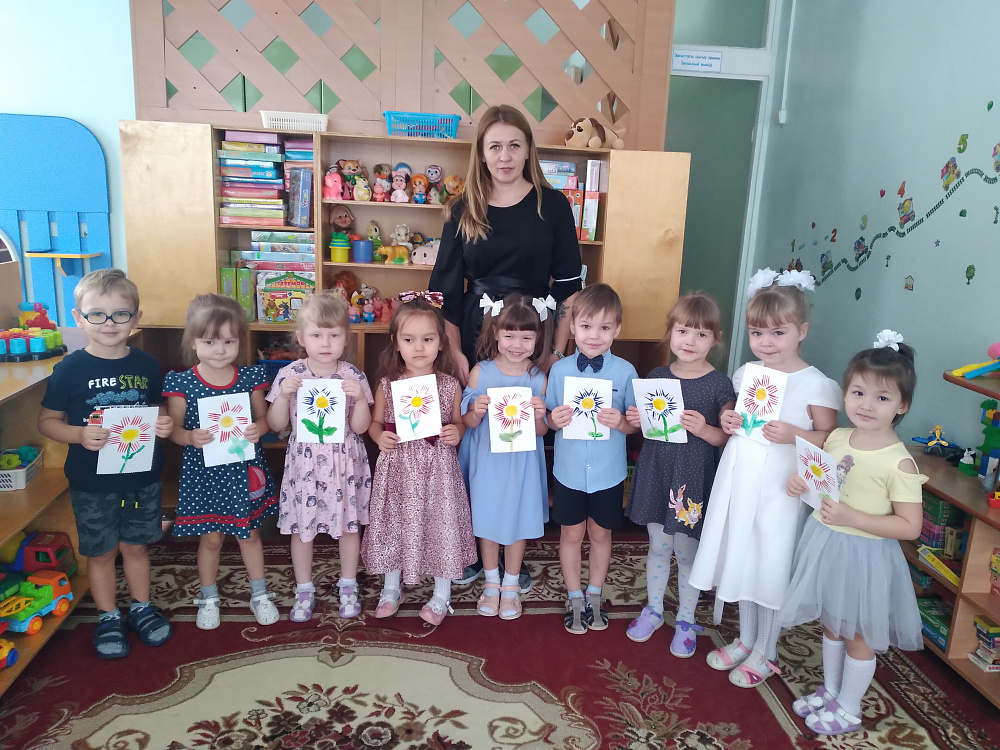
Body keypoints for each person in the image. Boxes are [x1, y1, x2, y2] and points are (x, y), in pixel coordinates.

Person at [430, 104, 584, 591]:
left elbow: (568, 287)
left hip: (533, 335)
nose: (504, 156)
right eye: (494, 146)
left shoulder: (552, 206)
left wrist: (556, 351)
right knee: (476, 439)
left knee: (524, 438)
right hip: (478, 333)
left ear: (528, 149)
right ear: (481, 152)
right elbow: (446, 291)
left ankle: (514, 545)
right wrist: (456, 353)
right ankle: (475, 548)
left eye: (514, 145)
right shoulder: (464, 208)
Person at [689, 268, 842, 687]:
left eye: (778, 333)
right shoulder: (746, 374)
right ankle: (747, 639)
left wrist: (795, 434)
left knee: (769, 562)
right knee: (744, 556)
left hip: (781, 485)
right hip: (741, 475)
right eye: (757, 333)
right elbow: (736, 417)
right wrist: (728, 419)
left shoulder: (817, 385)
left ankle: (767, 650)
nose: (766, 342)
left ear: (801, 331)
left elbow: (830, 440)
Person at [780, 331, 924, 736]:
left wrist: (853, 517)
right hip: (827, 543)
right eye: (858, 393)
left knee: (859, 634)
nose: (866, 405)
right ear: (845, 393)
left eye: (882, 398)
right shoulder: (838, 437)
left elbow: (910, 526)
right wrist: (800, 483)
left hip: (866, 555)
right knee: (833, 623)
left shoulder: (899, 463)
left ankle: (849, 707)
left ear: (902, 405)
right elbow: (823, 481)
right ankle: (831, 690)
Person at [38, 269, 174, 659]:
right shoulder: (69, 369)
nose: (109, 323)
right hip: (91, 482)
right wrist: (79, 434)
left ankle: (142, 607)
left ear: (136, 318)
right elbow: (47, 421)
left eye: (120, 314)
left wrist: (164, 423)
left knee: (136, 546)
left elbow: (156, 409)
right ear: (79, 318)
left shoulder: (147, 364)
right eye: (97, 314)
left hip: (141, 476)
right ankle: (108, 616)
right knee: (100, 552)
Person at [624, 292, 736, 656]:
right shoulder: (656, 376)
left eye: (701, 334)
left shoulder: (720, 385)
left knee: (687, 554)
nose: (690, 341)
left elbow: (726, 438)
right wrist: (636, 419)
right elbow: (648, 427)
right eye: (683, 331)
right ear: (670, 332)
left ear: (715, 339)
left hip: (692, 480)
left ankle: (686, 619)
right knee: (658, 546)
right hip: (658, 472)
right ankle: (654, 609)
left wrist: (704, 429)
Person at [164, 294, 279, 630]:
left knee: (250, 535)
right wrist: (189, 437)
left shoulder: (250, 378)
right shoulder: (182, 383)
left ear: (240, 340)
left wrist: (259, 428)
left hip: (243, 471)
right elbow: (174, 430)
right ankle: (208, 596)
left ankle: (260, 594)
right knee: (211, 538)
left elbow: (265, 419)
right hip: (205, 475)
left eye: (229, 341)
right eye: (209, 342)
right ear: (193, 341)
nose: (220, 350)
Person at [361, 296, 476, 626]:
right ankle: (391, 588)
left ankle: (441, 594)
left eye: (427, 339)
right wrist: (378, 436)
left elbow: (458, 423)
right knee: (395, 525)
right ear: (396, 342)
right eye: (409, 339)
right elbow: (374, 423)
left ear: (441, 343)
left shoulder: (449, 385)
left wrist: (456, 431)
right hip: (398, 471)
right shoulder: (387, 385)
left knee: (440, 525)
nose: (419, 347)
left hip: (437, 472)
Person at [265, 292, 373, 622]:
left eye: (334, 335)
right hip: (305, 465)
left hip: (344, 464)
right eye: (316, 335)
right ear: (301, 338)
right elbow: (275, 425)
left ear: (346, 337)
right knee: (303, 528)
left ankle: (348, 585)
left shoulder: (353, 376)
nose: (325, 343)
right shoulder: (290, 374)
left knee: (349, 527)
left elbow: (361, 427)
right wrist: (282, 397)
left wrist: (361, 400)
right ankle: (304, 589)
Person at [545, 283, 638, 634]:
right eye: (586, 326)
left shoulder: (626, 372)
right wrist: (553, 420)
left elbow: (635, 425)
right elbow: (549, 418)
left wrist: (623, 423)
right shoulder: (559, 371)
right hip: (569, 471)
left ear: (617, 329)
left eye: (604, 327)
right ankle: (574, 597)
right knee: (571, 534)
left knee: (600, 534)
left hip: (607, 473)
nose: (594, 336)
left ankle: (594, 594)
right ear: (572, 327)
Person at [461, 293, 550, 621]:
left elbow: (541, 432)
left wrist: (540, 415)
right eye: (510, 335)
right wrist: (475, 410)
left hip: (522, 464)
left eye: (526, 337)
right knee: (487, 520)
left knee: (518, 520)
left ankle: (510, 584)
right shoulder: (480, 373)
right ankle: (491, 581)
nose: (517, 344)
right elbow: (468, 423)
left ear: (537, 339)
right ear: (496, 332)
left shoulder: (538, 378)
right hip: (488, 463)